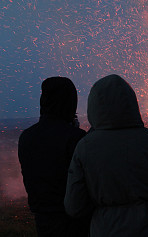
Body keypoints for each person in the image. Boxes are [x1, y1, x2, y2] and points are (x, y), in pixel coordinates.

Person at [64, 74, 148, 237]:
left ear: (94, 106)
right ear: (131, 103)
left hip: (107, 229)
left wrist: (103, 214)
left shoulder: (85, 147)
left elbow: (74, 206)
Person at [18, 76, 90, 237]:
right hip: (74, 222)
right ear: (70, 102)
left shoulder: (26, 136)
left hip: (43, 220)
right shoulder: (75, 138)